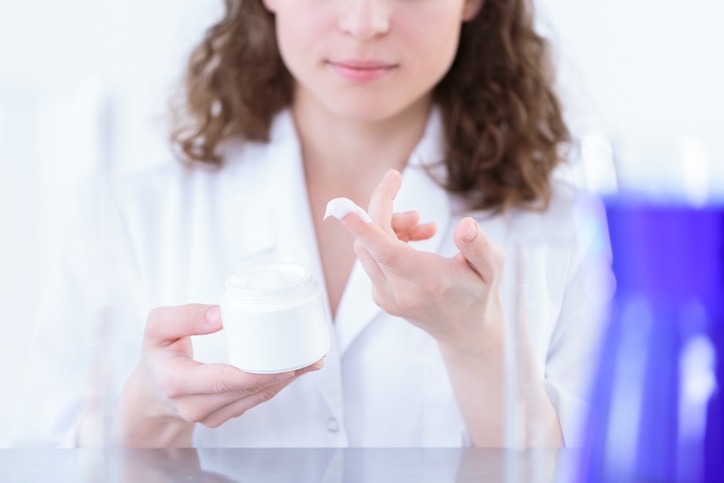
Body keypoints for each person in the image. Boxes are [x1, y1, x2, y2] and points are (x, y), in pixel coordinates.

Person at [14, 0, 611, 448]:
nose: (365, 20)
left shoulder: (576, 234)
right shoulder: (129, 220)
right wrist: (148, 411)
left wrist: (478, 347)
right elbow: (47, 455)